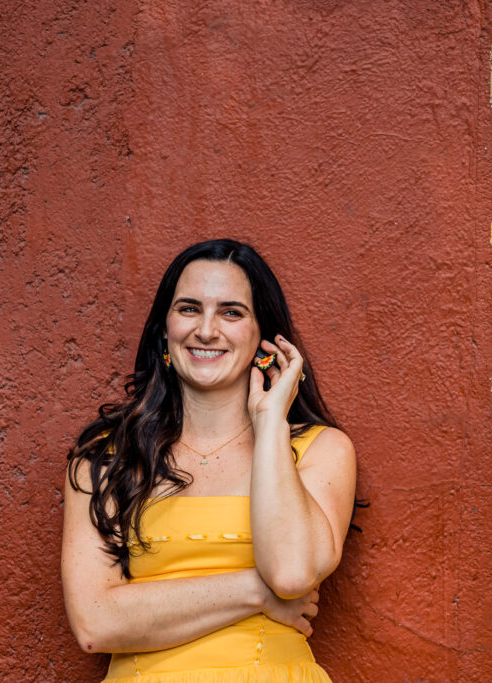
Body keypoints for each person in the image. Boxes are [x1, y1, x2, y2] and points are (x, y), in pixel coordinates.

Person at [62, 239, 357, 682]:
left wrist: (272, 420)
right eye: (188, 309)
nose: (206, 330)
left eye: (231, 313)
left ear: (264, 338)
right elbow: (94, 623)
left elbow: (292, 575)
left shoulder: (320, 450)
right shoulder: (108, 458)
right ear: (164, 329)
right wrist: (257, 593)